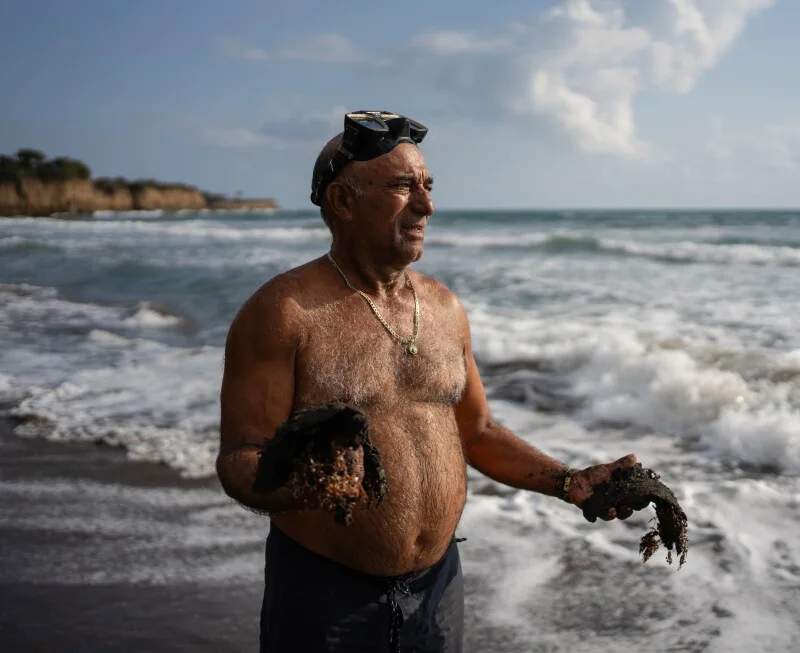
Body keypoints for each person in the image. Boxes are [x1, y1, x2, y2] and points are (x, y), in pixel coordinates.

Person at [216, 110, 639, 653]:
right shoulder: (285, 312)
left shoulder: (444, 308)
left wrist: (568, 481)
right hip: (326, 597)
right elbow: (241, 456)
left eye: (428, 187)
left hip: (438, 589)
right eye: (402, 187)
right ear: (343, 202)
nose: (426, 206)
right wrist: (304, 483)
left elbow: (478, 433)